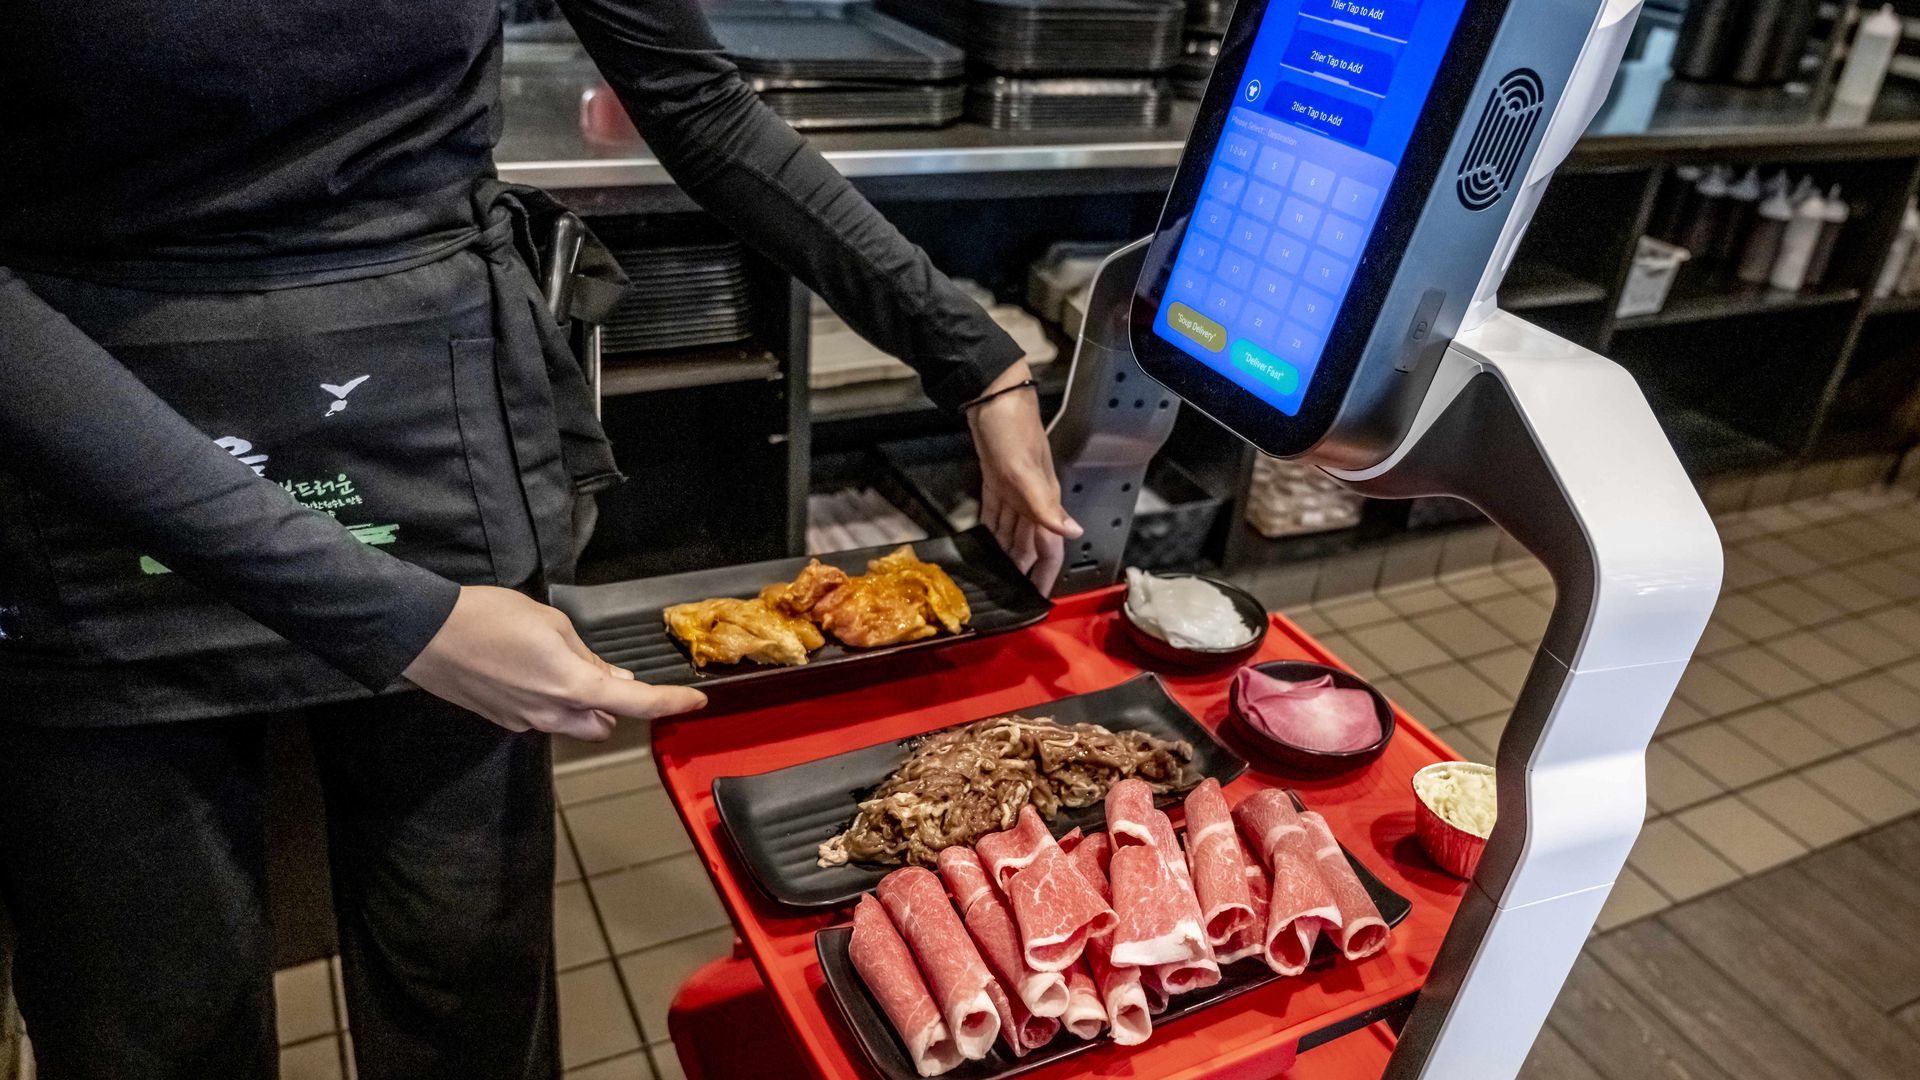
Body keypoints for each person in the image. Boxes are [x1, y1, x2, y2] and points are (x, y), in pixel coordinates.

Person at [0, 2, 1079, 1078]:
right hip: (92, 475)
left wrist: (973, 357)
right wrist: (398, 622)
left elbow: (693, 97)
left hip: (429, 459)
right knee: (151, 1027)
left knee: (464, 998)